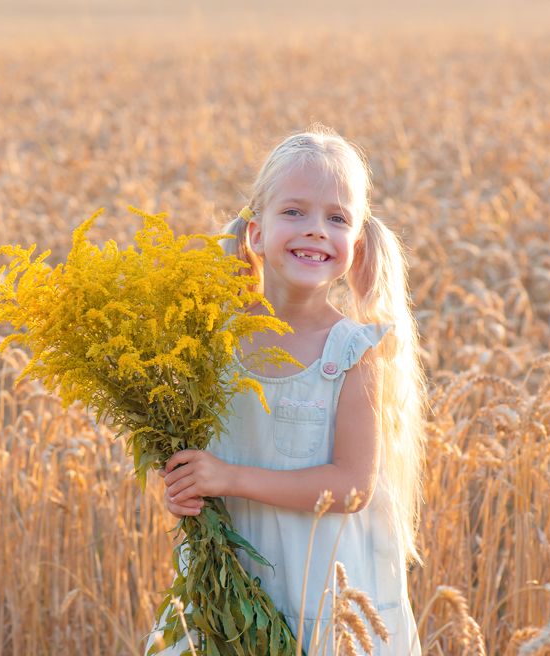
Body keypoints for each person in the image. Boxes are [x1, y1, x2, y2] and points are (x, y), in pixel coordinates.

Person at [145, 125, 426, 655]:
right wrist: (186, 486)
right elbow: (188, 456)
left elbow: (351, 487)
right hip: (228, 589)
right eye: (294, 212)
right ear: (255, 233)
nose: (316, 230)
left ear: (358, 243)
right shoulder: (211, 341)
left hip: (321, 593)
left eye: (336, 218)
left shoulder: (354, 352)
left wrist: (229, 477)